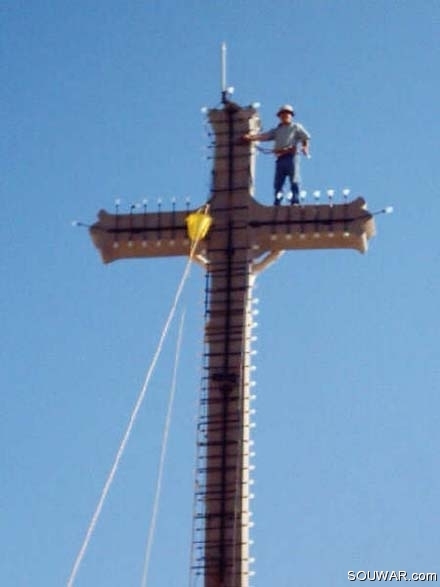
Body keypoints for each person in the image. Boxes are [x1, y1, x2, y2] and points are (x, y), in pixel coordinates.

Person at [243, 104, 311, 205]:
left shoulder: (296, 127)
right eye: (283, 114)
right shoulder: (277, 130)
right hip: (280, 157)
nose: (285, 116)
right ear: (280, 116)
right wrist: (251, 138)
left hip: (291, 156)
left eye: (287, 114)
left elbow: (305, 137)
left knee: (294, 180)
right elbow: (264, 136)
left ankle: (295, 201)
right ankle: (278, 202)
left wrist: (305, 147)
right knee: (278, 183)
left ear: (291, 115)